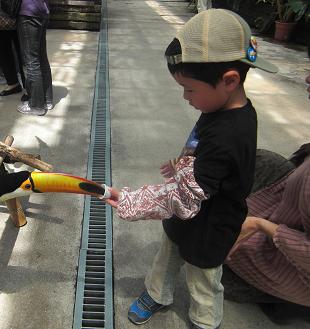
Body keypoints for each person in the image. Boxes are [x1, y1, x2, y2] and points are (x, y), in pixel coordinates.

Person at [104, 9, 278, 329]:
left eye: (189, 89)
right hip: (194, 205)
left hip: (211, 225)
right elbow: (203, 163)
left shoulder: (230, 135)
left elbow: (185, 197)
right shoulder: (222, 105)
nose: (185, 97)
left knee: (204, 281)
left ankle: (204, 321)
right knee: (166, 256)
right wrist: (181, 165)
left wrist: (131, 200)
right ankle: (158, 293)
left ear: (229, 80)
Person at [221, 144, 310, 323]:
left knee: (214, 270)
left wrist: (260, 225)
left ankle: (286, 303)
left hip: (296, 259)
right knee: (256, 160)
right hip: (285, 207)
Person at [16, 0, 53, 116]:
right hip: (42, 9)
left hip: (29, 12)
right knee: (41, 58)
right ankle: (47, 100)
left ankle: (36, 106)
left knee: (32, 61)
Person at [0, 0, 26, 97]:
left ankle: (29, 87)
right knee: (2, 51)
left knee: (23, 52)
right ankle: (13, 83)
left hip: (20, 12)